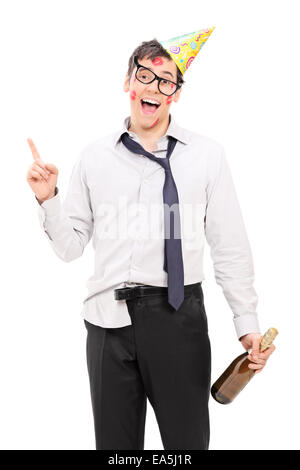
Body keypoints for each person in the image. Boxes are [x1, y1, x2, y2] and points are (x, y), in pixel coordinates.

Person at [26, 28, 275, 450]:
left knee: (186, 447)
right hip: (107, 322)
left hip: (178, 317)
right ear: (128, 82)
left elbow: (229, 245)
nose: (154, 88)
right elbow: (70, 248)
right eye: (145, 76)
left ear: (175, 93)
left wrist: (246, 323)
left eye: (166, 81)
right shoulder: (93, 156)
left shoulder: (207, 156)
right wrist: (48, 198)